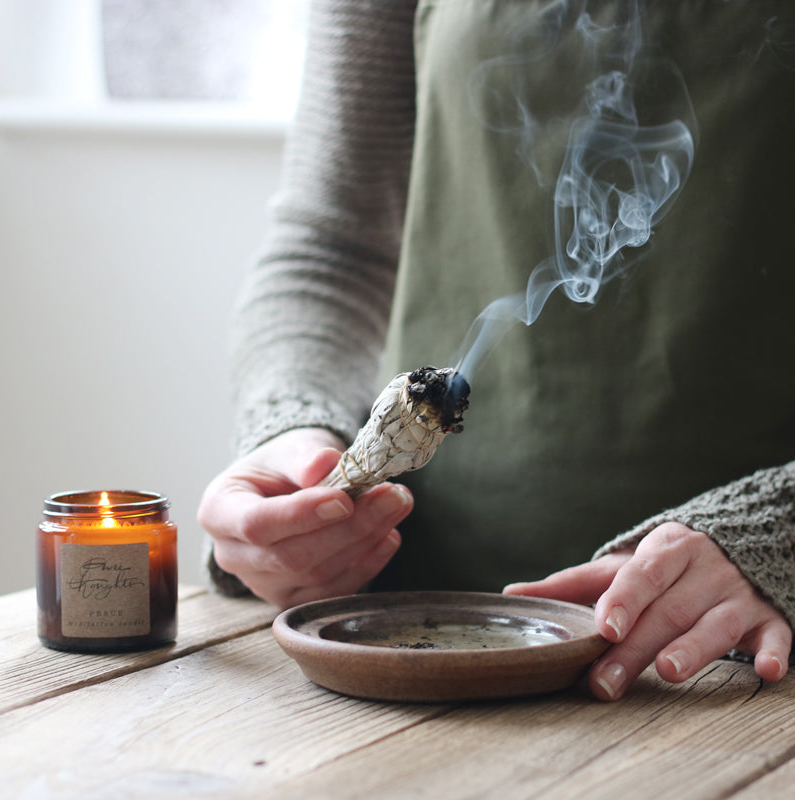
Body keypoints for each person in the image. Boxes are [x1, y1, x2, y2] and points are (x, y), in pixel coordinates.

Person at [198, 0, 795, 701]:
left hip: (735, 667)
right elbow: (332, 252)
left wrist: (773, 537)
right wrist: (292, 435)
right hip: (404, 631)